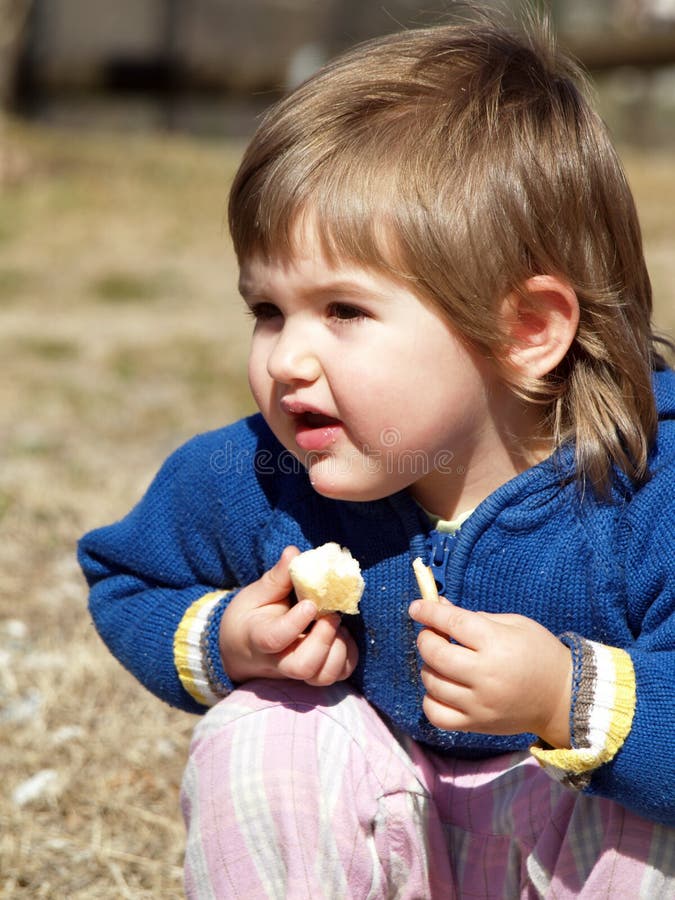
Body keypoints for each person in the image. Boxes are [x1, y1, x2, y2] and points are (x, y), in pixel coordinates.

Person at [78, 9, 675, 899]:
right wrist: (230, 638)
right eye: (267, 311)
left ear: (524, 330)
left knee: (650, 819)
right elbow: (129, 576)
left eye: (343, 312)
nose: (288, 359)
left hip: (572, 844)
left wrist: (567, 696)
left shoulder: (647, 493)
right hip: (390, 834)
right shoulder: (265, 477)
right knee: (264, 731)